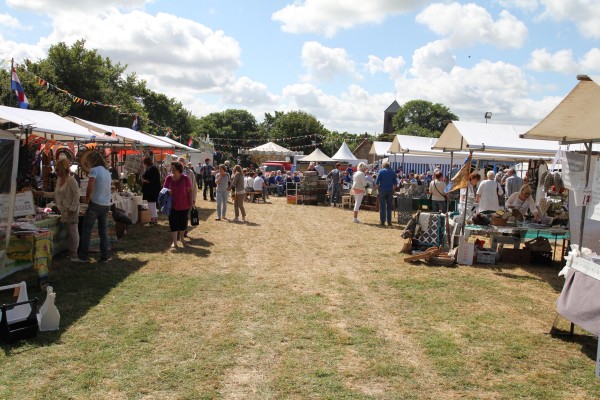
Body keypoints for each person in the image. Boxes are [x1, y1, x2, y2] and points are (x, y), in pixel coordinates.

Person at [35, 158, 80, 258]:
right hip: (63, 209)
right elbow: (55, 194)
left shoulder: (71, 180)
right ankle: (69, 249)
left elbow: (77, 194)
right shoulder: (59, 180)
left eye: (58, 169)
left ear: (63, 169)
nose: (56, 171)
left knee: (73, 230)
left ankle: (74, 251)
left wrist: (72, 208)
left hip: (71, 209)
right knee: (68, 230)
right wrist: (43, 194)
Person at [72, 151, 112, 263]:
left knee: (86, 229)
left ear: (92, 161)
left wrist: (87, 198)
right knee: (102, 231)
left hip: (96, 203)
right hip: (106, 204)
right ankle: (104, 256)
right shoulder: (106, 171)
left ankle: (83, 256)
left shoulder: (94, 170)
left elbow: (90, 185)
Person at [163, 162, 192, 248]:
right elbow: (164, 189)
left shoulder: (185, 178)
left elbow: (190, 190)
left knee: (183, 223)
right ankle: (174, 241)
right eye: (171, 168)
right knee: (173, 223)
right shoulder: (168, 178)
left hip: (184, 204)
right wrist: (167, 191)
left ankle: (182, 238)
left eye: (173, 168)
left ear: (178, 169)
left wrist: (191, 202)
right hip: (171, 205)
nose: (172, 170)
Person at [141, 157, 161, 224]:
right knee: (152, 204)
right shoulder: (150, 169)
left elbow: (151, 180)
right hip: (152, 190)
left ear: (146, 163)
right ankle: (155, 218)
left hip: (152, 190)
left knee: (151, 205)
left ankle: (153, 219)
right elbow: (145, 176)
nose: (144, 165)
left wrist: (144, 181)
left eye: (144, 164)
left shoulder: (153, 169)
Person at [375, 161, 396, 226]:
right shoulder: (393, 172)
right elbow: (395, 184)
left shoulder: (381, 171)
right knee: (389, 207)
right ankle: (389, 221)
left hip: (382, 190)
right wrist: (393, 191)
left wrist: (378, 190)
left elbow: (377, 182)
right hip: (390, 190)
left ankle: (382, 221)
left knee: (382, 207)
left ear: (383, 166)